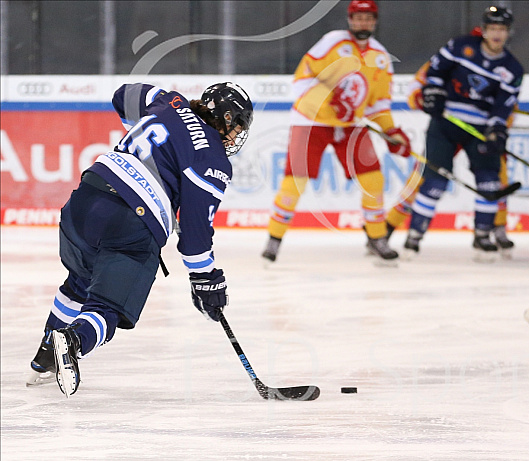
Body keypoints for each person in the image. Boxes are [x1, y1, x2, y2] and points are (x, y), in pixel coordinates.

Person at [26, 82, 254, 397]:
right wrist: (207, 280)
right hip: (131, 221)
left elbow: (123, 95)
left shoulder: (168, 101)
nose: (234, 136)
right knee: (107, 306)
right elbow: (195, 231)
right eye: (237, 126)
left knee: (79, 279)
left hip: (86, 198)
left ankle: (44, 359)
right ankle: (74, 340)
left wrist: (145, 150)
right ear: (226, 118)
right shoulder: (213, 157)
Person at [260, 0, 411, 265]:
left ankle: (377, 238)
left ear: (375, 21)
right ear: (350, 20)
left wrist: (391, 131)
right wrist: (329, 99)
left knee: (373, 179)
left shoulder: (381, 58)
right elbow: (302, 80)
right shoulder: (332, 42)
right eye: (358, 17)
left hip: (350, 126)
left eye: (368, 18)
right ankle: (274, 238)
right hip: (311, 122)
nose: (363, 23)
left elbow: (378, 105)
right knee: (294, 182)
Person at [385, 5, 523, 263]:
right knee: (430, 179)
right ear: (481, 32)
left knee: (492, 180)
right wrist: (428, 96)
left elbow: (504, 106)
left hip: (478, 128)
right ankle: (397, 229)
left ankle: (491, 232)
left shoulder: (512, 69)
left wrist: (498, 129)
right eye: (491, 29)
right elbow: (427, 79)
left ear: (507, 33)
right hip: (446, 123)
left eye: (501, 30)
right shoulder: (459, 47)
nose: (495, 35)